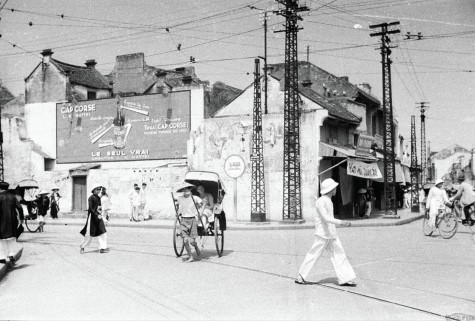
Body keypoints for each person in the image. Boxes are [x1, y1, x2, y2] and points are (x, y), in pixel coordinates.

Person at [295, 178, 356, 286]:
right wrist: (341, 222)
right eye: (334, 188)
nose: (336, 189)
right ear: (331, 189)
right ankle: (301, 276)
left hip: (331, 234)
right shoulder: (321, 201)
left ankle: (345, 278)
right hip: (322, 234)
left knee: (339, 254)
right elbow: (325, 217)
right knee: (313, 254)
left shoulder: (328, 200)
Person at [176, 184, 203, 263]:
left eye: (187, 189)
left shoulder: (195, 198)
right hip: (183, 220)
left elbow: (202, 203)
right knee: (185, 241)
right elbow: (178, 206)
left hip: (192, 219)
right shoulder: (180, 198)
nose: (185, 191)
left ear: (190, 190)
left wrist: (199, 210)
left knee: (191, 241)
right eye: (184, 190)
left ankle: (196, 247)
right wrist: (177, 212)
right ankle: (191, 256)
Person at [0, 181, 24, 266]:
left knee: (1, 239)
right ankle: (11, 255)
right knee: (12, 238)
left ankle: (2, 257)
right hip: (12, 220)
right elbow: (20, 208)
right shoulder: (13, 197)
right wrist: (21, 218)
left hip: (1, 221)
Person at [80, 185, 109, 254]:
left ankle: (102, 248)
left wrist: (101, 215)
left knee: (102, 232)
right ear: (93, 190)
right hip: (92, 218)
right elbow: (91, 209)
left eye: (99, 189)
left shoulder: (98, 198)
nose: (98, 191)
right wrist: (97, 214)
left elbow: (99, 207)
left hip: (98, 217)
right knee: (89, 234)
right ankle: (82, 247)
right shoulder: (91, 198)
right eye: (97, 189)